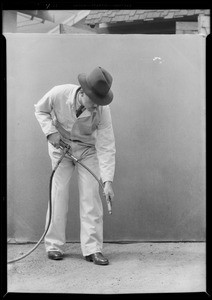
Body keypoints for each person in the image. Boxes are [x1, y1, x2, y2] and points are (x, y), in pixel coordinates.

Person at [34, 66, 116, 265]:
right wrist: (50, 132)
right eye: (94, 101)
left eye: (100, 102)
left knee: (91, 197)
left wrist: (107, 181)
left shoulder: (103, 110)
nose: (97, 107)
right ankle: (53, 246)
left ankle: (92, 249)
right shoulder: (58, 93)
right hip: (60, 147)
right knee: (58, 194)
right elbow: (40, 109)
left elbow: (106, 144)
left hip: (87, 151)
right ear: (82, 92)